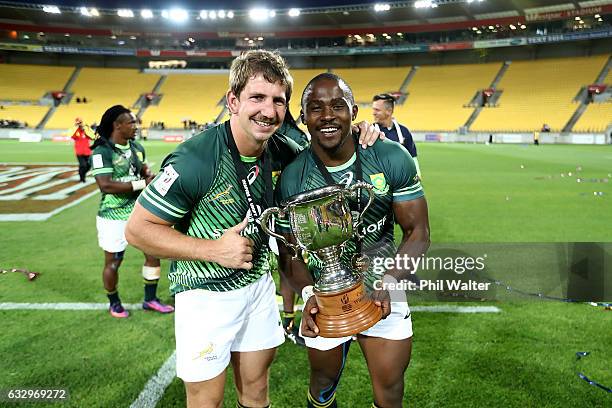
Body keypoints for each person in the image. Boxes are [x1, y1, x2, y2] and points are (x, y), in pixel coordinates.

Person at [125, 51, 385, 407]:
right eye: (257, 98)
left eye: (279, 101)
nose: (269, 110)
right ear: (233, 101)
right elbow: (138, 230)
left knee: (257, 389)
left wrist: (356, 130)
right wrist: (213, 250)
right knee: (206, 399)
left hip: (258, 287)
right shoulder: (196, 158)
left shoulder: (281, 149)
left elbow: (327, 146)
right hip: (205, 293)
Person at [276, 73, 430, 408]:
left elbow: (418, 232)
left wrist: (391, 279)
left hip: (382, 290)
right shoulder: (292, 176)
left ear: (354, 111)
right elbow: (288, 252)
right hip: (325, 295)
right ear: (303, 118)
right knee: (323, 382)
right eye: (315, 108)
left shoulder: (390, 157)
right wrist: (308, 293)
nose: (327, 115)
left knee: (390, 390)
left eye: (337, 106)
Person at [90, 105, 174, 318]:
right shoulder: (102, 151)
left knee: (153, 254)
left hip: (139, 212)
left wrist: (150, 176)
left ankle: (151, 299)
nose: (136, 126)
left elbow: (143, 171)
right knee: (113, 262)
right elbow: (105, 185)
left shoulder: (137, 147)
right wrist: (140, 184)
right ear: (117, 126)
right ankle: (114, 302)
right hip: (112, 216)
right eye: (131, 123)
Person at [372, 93, 422, 178]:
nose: (373, 113)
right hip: (379, 181)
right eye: (373, 109)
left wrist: (417, 173)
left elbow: (412, 155)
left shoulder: (404, 131)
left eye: (377, 110)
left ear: (389, 111)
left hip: (401, 179)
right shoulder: (370, 131)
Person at [70, 117, 95, 182]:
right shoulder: (76, 132)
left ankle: (82, 174)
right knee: (83, 165)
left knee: (89, 165)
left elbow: (93, 136)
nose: (80, 125)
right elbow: (72, 135)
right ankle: (82, 178)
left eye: (81, 123)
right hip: (79, 152)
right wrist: (76, 127)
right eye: (79, 123)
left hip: (87, 152)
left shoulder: (86, 131)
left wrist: (86, 128)